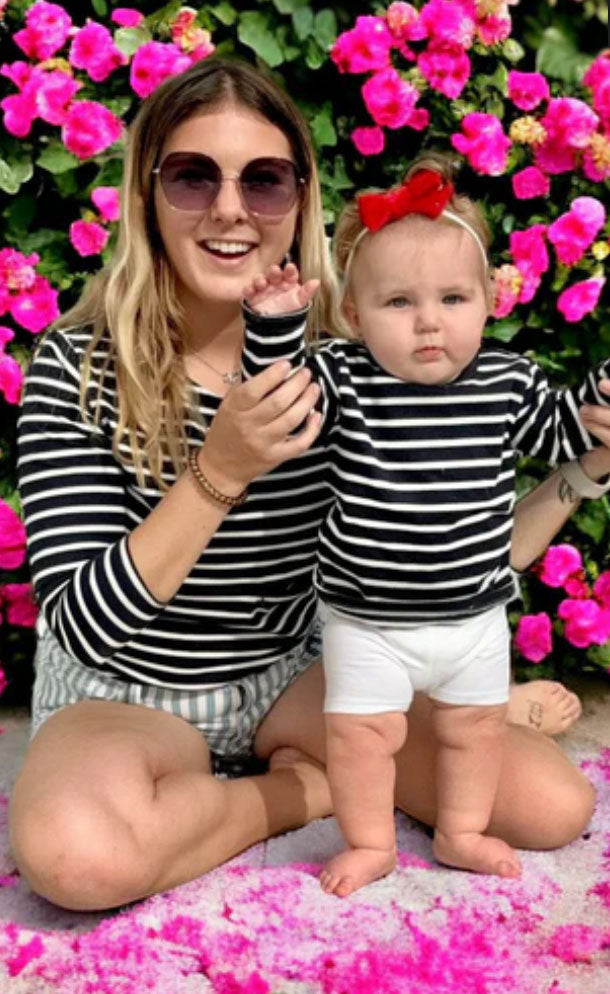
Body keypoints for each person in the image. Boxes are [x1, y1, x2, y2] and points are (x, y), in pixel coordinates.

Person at [7, 55, 608, 914]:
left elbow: (446, 541)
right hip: (130, 689)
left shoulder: (355, 361)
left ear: (298, 201)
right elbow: (84, 624)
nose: (228, 208)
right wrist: (220, 470)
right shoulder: (77, 367)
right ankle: (302, 793)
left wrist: (585, 466)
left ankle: (344, 747)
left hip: (299, 676)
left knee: (552, 807)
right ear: (146, 194)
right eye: (190, 176)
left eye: (263, 181)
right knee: (78, 859)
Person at [241, 158, 610, 896]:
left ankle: (461, 830)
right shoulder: (347, 378)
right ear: (352, 316)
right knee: (361, 737)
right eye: (399, 302)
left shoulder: (508, 381)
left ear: (487, 304)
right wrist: (275, 327)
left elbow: (565, 427)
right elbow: (277, 397)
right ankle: (372, 842)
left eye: (452, 298)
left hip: (473, 618)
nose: (430, 321)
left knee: (471, 734)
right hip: (366, 622)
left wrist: (599, 398)